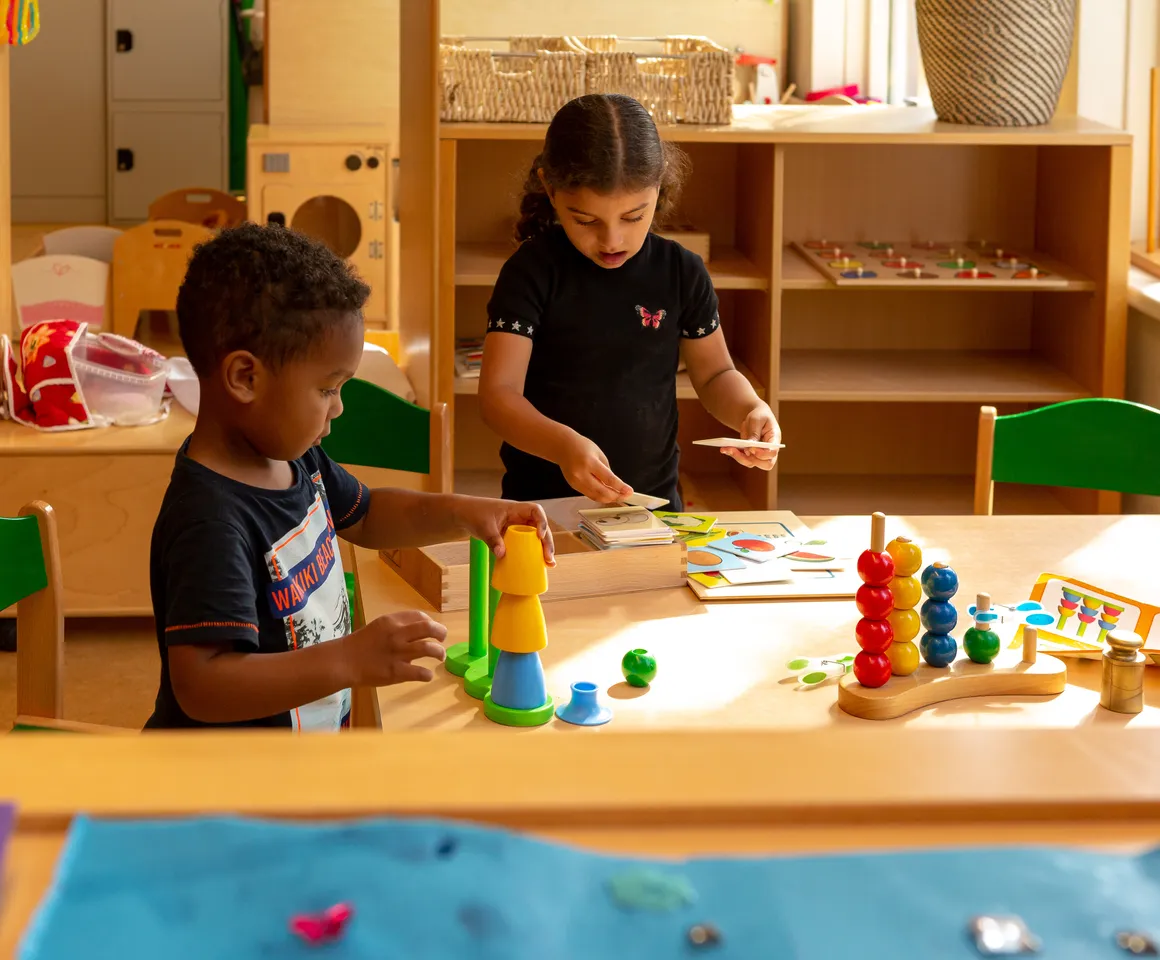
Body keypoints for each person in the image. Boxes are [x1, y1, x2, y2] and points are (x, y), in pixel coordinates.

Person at [145, 223, 553, 730]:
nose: (337, 408)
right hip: (232, 791)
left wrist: (467, 512)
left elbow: (369, 515)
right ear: (245, 378)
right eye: (328, 388)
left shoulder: (293, 459)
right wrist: (349, 660)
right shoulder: (210, 520)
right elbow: (203, 687)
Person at [478, 93, 781, 511]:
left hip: (653, 507)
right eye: (585, 220)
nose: (612, 240)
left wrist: (750, 410)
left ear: (659, 188)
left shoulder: (681, 271)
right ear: (549, 188)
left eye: (633, 217)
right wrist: (564, 446)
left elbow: (715, 375)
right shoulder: (531, 271)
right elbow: (498, 395)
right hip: (544, 509)